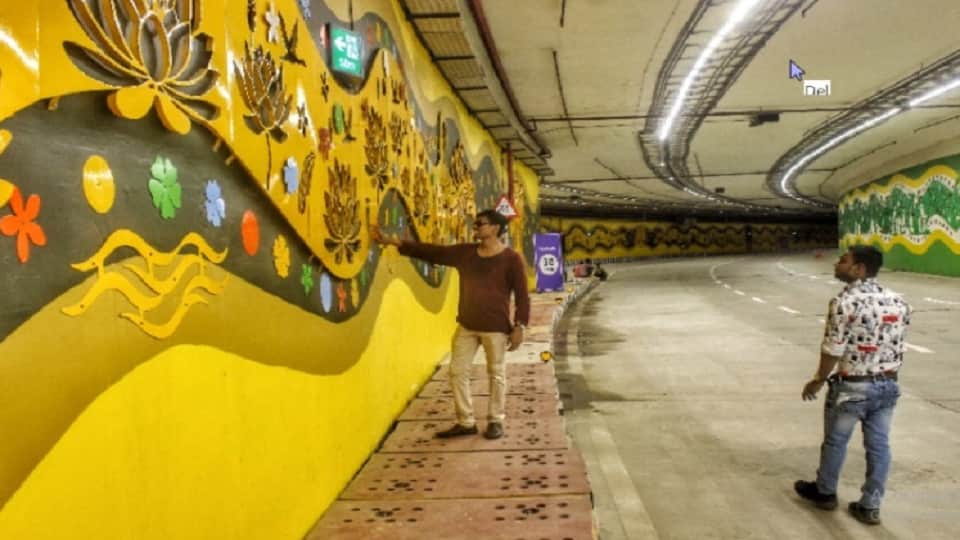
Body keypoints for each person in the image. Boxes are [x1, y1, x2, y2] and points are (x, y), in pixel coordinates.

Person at [371, 209, 530, 440]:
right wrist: (396, 243)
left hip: (495, 327)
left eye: (480, 224)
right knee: (457, 372)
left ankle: (496, 420)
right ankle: (466, 421)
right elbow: (434, 253)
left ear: (495, 228)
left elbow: (522, 295)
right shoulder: (466, 253)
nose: (475, 227)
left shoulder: (511, 259)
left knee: (496, 374)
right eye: (475, 224)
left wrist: (520, 326)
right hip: (467, 325)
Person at [794, 245, 911, 525]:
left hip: (853, 388)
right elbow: (897, 345)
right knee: (879, 447)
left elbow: (833, 348)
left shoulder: (843, 302)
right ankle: (870, 506)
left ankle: (825, 493)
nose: (837, 264)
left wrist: (819, 379)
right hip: (888, 386)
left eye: (843, 261)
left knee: (836, 442)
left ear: (858, 269)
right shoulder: (899, 301)